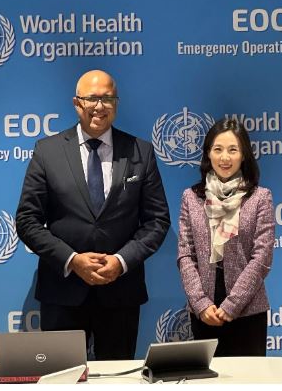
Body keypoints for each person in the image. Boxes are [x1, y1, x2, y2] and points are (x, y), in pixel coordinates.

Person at [15, 69, 170, 360]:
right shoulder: (47, 151)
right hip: (62, 293)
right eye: (92, 98)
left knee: (118, 378)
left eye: (107, 98)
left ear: (116, 103)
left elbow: (157, 221)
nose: (100, 106)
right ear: (77, 103)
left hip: (121, 293)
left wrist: (121, 261)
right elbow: (27, 220)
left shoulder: (141, 151)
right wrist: (72, 260)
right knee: (63, 376)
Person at [176, 118, 272, 356]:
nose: (224, 158)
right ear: (208, 154)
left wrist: (232, 305)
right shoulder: (191, 197)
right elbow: (186, 254)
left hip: (248, 311)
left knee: (248, 376)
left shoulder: (260, 197)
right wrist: (200, 303)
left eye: (233, 150)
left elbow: (262, 258)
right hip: (204, 312)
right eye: (218, 149)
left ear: (244, 155)